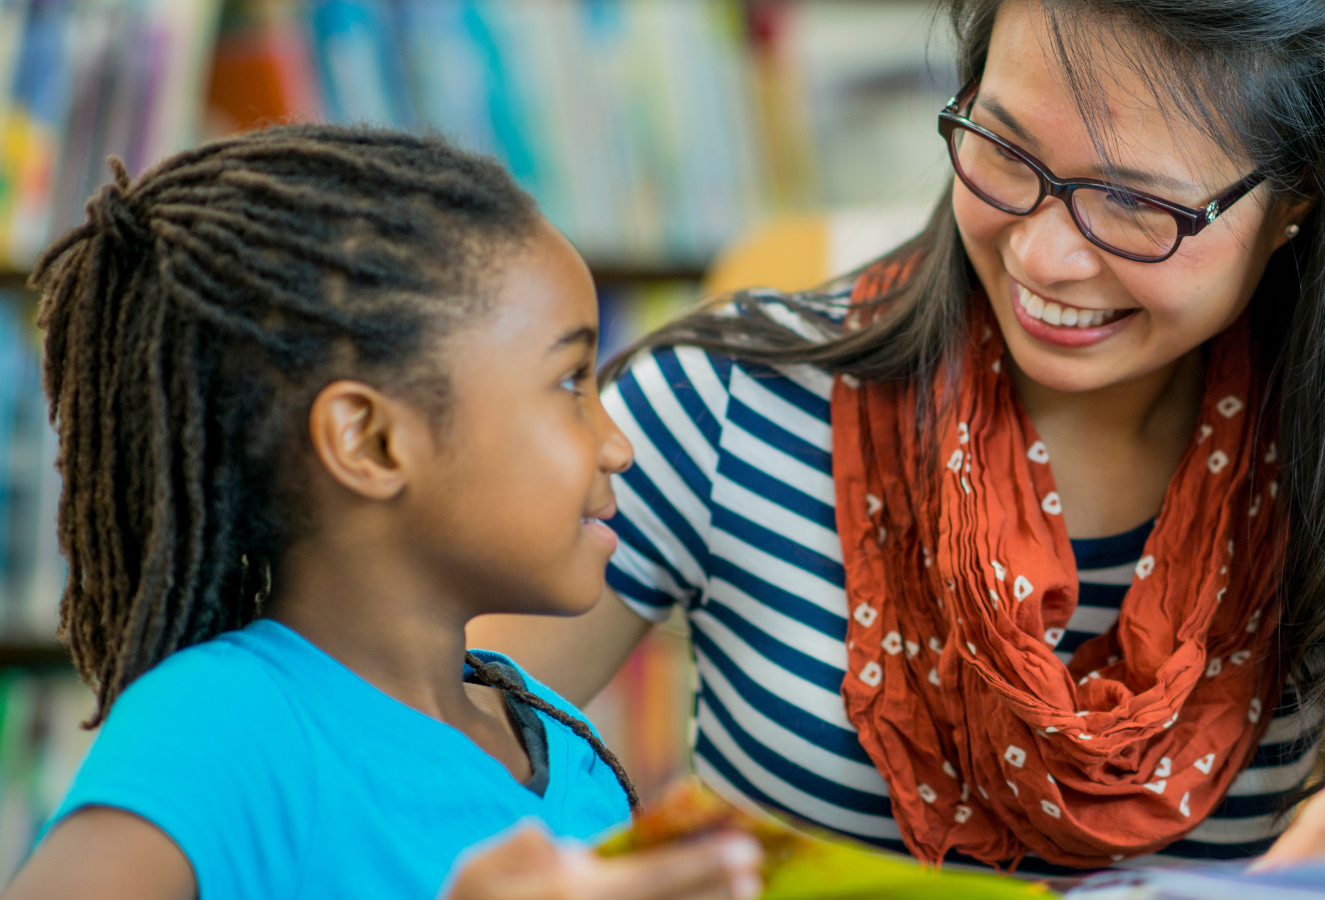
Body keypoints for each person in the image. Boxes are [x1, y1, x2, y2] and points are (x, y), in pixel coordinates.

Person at [468, 0, 1325, 877]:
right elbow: (398, 740)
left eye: (1135, 205)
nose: (1045, 257)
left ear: (1296, 199)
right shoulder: (724, 405)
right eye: (1005, 150)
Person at [3, 126, 762, 900]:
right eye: (571, 382)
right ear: (371, 441)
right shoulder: (221, 726)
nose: (618, 446)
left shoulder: (564, 742)